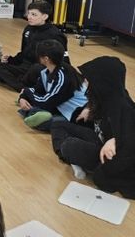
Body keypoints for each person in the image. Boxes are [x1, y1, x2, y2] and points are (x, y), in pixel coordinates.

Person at [51, 57, 135, 197]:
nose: (86, 82)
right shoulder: (104, 96)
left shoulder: (122, 108)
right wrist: (89, 108)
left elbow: (127, 150)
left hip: (106, 156)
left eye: (89, 79)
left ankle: (70, 157)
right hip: (98, 138)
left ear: (102, 81)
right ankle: (70, 157)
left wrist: (116, 140)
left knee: (69, 145)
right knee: (57, 124)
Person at [0, 0, 68, 91]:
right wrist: (11, 60)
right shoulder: (28, 29)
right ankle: (23, 83)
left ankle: (21, 86)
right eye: (29, 13)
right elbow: (24, 52)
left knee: (35, 69)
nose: (29, 17)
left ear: (45, 16)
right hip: (24, 67)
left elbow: (63, 60)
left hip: (40, 68)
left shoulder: (55, 35)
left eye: (34, 15)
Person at [17, 40, 87, 130]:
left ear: (46, 59)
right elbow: (38, 90)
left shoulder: (63, 76)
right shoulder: (46, 72)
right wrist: (23, 97)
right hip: (59, 107)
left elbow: (46, 102)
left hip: (76, 114)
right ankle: (40, 114)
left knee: (52, 123)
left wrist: (26, 91)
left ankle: (43, 117)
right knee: (28, 107)